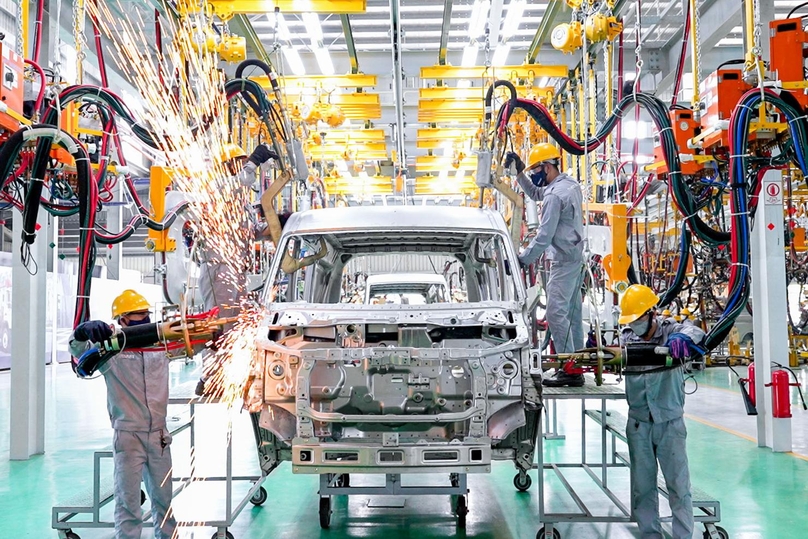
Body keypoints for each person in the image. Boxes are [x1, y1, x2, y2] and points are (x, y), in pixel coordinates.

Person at [69, 290, 177, 539]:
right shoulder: (110, 350)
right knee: (128, 503)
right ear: (122, 320)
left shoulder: (159, 346)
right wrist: (82, 331)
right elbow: (78, 353)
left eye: (146, 314)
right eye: (137, 315)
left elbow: (191, 342)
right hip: (128, 436)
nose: (143, 319)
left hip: (159, 436)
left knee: (165, 500)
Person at [618, 284, 706, 539]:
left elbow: (696, 331)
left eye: (638, 319)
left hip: (670, 423)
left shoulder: (672, 331)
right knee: (643, 488)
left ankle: (683, 536)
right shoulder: (627, 337)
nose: (634, 324)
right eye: (630, 320)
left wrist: (684, 339)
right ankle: (649, 535)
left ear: (652, 313)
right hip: (639, 424)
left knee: (678, 486)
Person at [505, 143, 585, 386]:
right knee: (572, 313)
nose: (534, 175)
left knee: (555, 312)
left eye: (535, 170)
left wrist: (523, 259)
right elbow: (537, 193)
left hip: (563, 259)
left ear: (547, 167)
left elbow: (544, 236)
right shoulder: (568, 185)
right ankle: (577, 364)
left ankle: (570, 371)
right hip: (575, 256)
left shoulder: (555, 195)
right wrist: (519, 175)